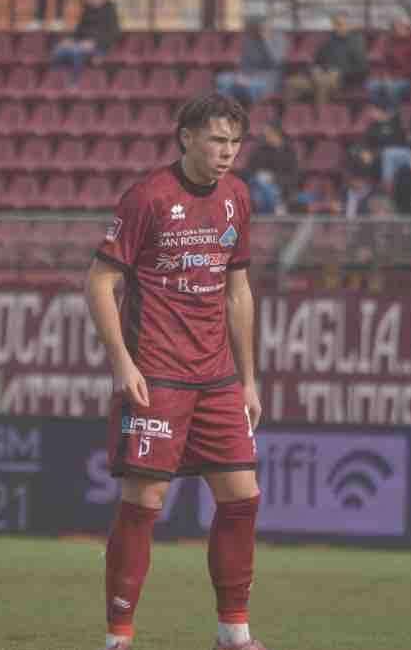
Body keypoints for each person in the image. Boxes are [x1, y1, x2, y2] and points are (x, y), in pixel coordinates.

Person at [84, 94, 266, 650]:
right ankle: (119, 637)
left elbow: (238, 291)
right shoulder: (148, 198)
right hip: (157, 374)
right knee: (145, 505)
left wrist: (249, 379)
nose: (226, 153)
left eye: (234, 142)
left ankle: (233, 635)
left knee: (242, 497)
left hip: (216, 378)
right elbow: (98, 282)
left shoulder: (237, 198)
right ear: (185, 136)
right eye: (216, 140)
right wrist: (122, 363)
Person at [284, 14, 368, 107]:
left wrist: (340, 72)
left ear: (349, 25)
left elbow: (362, 69)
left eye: (340, 24)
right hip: (320, 77)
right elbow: (316, 61)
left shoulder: (356, 42)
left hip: (341, 80)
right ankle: (291, 116)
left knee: (322, 83)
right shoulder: (328, 41)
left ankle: (320, 117)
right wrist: (315, 69)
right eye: (335, 24)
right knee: (291, 83)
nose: (337, 27)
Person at [51, 0, 120, 85]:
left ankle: (75, 82)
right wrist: (70, 40)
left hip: (100, 47)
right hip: (81, 43)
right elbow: (79, 31)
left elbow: (113, 33)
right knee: (59, 51)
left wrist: (95, 43)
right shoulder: (87, 10)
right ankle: (58, 81)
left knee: (76, 52)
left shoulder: (110, 11)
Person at [216, 18, 288, 106]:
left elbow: (275, 62)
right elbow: (245, 64)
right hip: (249, 76)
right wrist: (240, 76)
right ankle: (222, 107)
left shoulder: (279, 39)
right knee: (223, 79)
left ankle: (252, 110)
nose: (256, 30)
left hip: (267, 78)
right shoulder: (249, 40)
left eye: (260, 27)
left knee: (249, 87)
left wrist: (266, 40)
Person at [244, 123, 299, 215]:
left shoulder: (289, 152)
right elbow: (249, 170)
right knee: (258, 187)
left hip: (281, 186)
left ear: (277, 134)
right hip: (258, 184)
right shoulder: (260, 150)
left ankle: (276, 208)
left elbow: (293, 176)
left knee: (268, 191)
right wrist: (260, 176)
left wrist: (273, 178)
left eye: (269, 134)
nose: (266, 136)